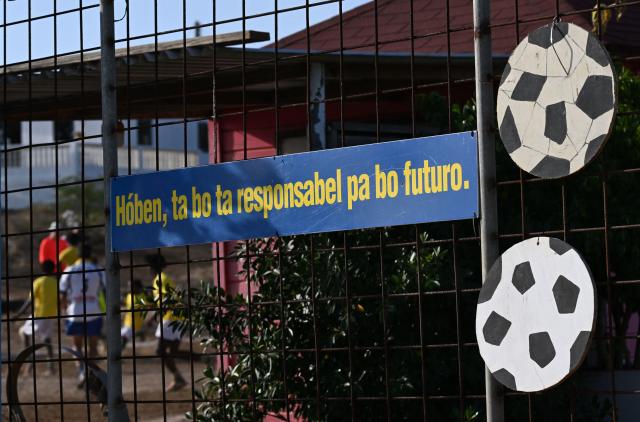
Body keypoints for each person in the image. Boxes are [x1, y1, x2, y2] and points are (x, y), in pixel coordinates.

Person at [59, 242, 105, 388]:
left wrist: (63, 312)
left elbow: (62, 295)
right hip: (94, 310)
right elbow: (105, 291)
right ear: (90, 254)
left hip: (75, 312)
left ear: (77, 255)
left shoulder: (69, 270)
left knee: (76, 346)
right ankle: (91, 373)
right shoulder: (98, 270)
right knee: (93, 346)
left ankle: (81, 371)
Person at [146, 253, 186, 392]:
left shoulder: (159, 279)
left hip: (171, 318)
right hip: (178, 317)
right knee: (174, 352)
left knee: (160, 351)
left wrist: (153, 317)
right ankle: (205, 359)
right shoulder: (163, 279)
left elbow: (166, 300)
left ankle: (178, 378)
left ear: (151, 267)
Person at [17, 260, 58, 375]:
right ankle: (51, 367)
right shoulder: (55, 282)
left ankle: (31, 362)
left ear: (42, 269)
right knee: (47, 340)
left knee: (24, 333)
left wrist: (19, 313)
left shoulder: (39, 281)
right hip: (51, 314)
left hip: (39, 314)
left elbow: (31, 300)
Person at [121, 279, 146, 351]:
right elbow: (126, 305)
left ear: (137, 287)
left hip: (135, 323)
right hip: (127, 322)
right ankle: (139, 334)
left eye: (131, 286)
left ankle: (119, 353)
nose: (129, 288)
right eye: (129, 286)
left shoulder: (142, 297)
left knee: (123, 337)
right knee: (123, 337)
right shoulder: (129, 296)